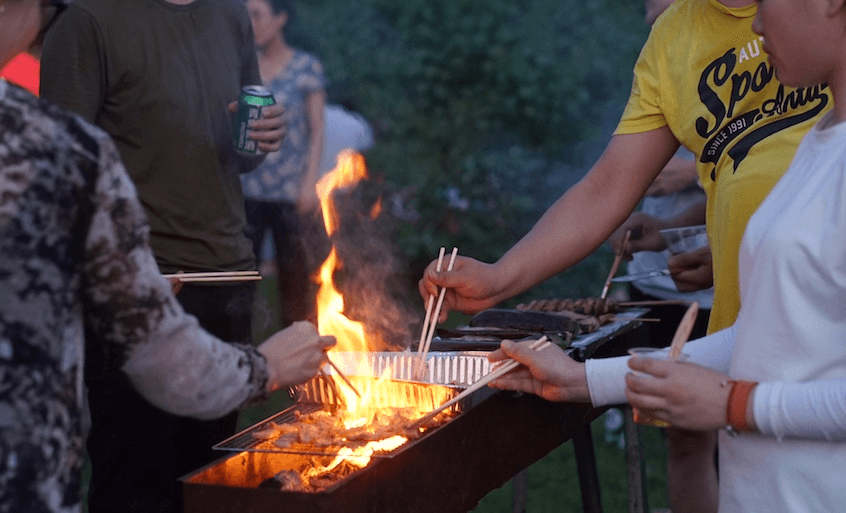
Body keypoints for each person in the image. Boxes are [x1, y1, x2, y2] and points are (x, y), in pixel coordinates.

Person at [419, 0, 831, 511]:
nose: (760, 26)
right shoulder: (676, 41)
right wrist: (503, 281)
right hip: (750, 351)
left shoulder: (826, 138)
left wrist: (733, 401)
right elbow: (609, 185)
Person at [0, 2, 335, 513]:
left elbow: (238, 148)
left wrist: (260, 138)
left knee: (207, 483)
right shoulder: (89, 18)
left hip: (229, 272)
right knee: (137, 480)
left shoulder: (229, 14)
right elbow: (58, 176)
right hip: (143, 278)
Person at [241, 0, 327, 329]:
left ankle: (298, 359)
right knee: (242, 278)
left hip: (292, 192)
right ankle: (240, 361)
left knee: (295, 282)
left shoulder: (306, 66)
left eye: (257, 15)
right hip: (248, 188)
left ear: (280, 18)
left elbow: (318, 130)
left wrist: (310, 184)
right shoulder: (244, 66)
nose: (251, 23)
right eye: (246, 15)